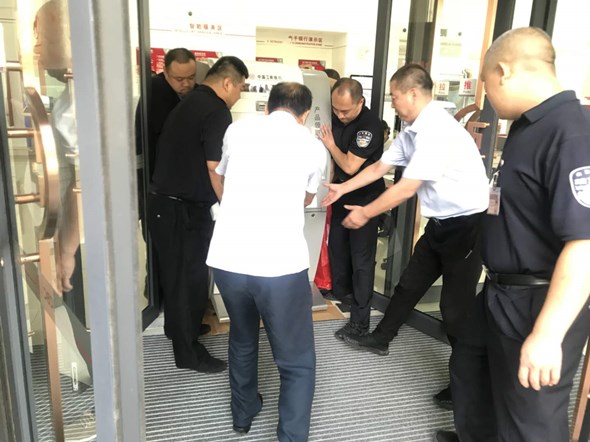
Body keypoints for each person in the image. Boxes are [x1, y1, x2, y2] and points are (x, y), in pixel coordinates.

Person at [438, 27, 590, 442]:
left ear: (503, 72)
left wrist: (548, 334)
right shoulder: (528, 126)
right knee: (470, 371)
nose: (487, 96)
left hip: (538, 299)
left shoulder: (572, 133)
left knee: (529, 416)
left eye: (486, 84)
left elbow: (585, 245)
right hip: (500, 291)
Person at [321, 64, 489, 415]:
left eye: (395, 97)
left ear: (413, 93)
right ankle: (381, 339)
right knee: (409, 285)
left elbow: (406, 188)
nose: (393, 103)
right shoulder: (413, 131)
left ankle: (467, 384)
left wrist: (365, 213)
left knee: (455, 312)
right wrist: (342, 189)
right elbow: (378, 168)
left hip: (466, 227)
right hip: (440, 224)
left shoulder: (436, 130)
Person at [207, 82, 325, 441]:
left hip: (227, 259)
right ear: (304, 114)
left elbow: (221, 173)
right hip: (279, 266)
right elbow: (307, 198)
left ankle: (242, 414)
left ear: (267, 107)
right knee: (296, 361)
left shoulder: (237, 130)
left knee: (243, 336)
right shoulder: (312, 146)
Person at [147, 56, 249, 373]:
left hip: (167, 205)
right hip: (182, 210)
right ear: (228, 83)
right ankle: (188, 354)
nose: (240, 95)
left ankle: (179, 329)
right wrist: (231, 209)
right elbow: (214, 169)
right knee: (188, 281)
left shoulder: (192, 102)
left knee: (178, 277)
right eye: (241, 88)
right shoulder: (216, 110)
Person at [318, 78, 385, 340]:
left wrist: (331, 145)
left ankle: (360, 322)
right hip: (340, 195)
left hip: (365, 200)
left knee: (361, 261)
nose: (340, 115)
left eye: (345, 110)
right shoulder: (336, 117)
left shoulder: (369, 127)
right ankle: (342, 295)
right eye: (335, 109)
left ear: (360, 102)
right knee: (337, 248)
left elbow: (349, 166)